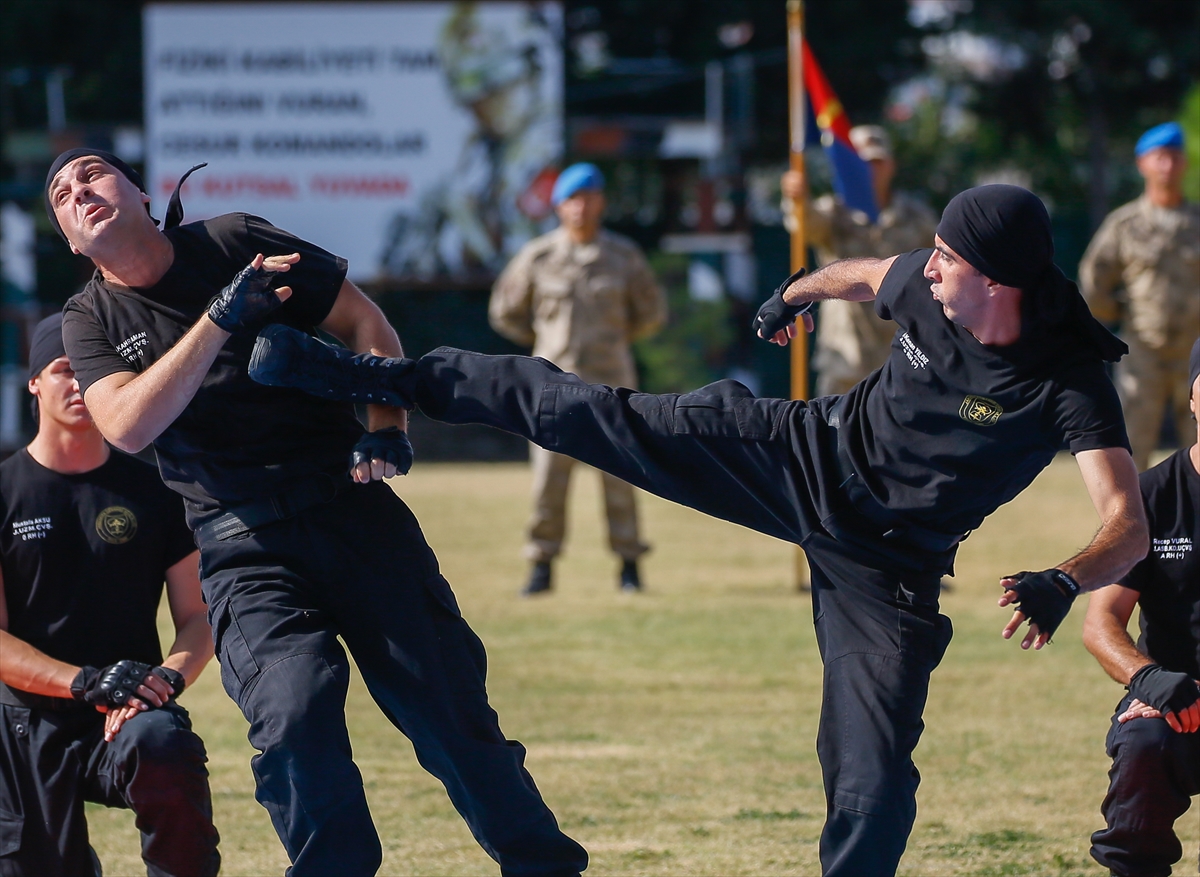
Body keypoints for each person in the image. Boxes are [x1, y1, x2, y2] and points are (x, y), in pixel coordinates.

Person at [250, 184, 1150, 877]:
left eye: (950, 258)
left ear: (1000, 281)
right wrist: (795, 292)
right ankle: (368, 376)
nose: (931, 265)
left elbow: (1126, 523)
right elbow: (866, 271)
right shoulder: (928, 281)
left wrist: (1064, 578)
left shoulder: (1065, 382)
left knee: (871, 782)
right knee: (579, 408)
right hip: (798, 454)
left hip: (890, 562)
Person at [47, 149, 587, 877]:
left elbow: (365, 323)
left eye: (92, 174)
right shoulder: (90, 318)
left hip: (352, 510)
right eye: (62, 194)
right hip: (242, 545)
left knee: (452, 713)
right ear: (72, 240)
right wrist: (217, 319)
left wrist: (387, 428)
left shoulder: (235, 241)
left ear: (140, 190)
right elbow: (128, 424)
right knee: (295, 721)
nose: (80, 192)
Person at [0, 314, 218, 877]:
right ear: (34, 382)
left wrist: (165, 680)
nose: (78, 385)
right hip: (26, 722)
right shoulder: (4, 495)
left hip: (128, 712)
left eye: (91, 373)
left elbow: (199, 617)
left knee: (167, 748)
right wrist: (84, 682)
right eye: (63, 370)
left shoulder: (156, 493)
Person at [489, 162, 666, 595]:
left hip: (613, 384)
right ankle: (541, 566)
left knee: (623, 475)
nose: (581, 207)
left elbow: (651, 313)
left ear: (601, 202)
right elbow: (505, 312)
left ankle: (629, 566)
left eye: (588, 197)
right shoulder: (538, 257)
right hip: (553, 385)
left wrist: (616, 341)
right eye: (572, 199)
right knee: (548, 479)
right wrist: (544, 344)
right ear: (558, 206)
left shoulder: (624, 257)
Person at [1082, 337, 1200, 877]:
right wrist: (1149, 680)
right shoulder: (1152, 495)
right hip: (1176, 704)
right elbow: (1101, 621)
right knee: (1144, 741)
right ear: (1192, 397)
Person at [1079, 121, 1200, 471]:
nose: (1167, 165)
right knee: (1131, 450)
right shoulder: (1125, 225)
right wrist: (1117, 314)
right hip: (1142, 354)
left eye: (1174, 157)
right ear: (1142, 164)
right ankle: (1137, 524)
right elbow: (1094, 280)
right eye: (1159, 157)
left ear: (1185, 163)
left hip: (1195, 356)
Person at [781, 125, 938, 395]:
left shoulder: (916, 217)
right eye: (863, 162)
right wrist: (797, 199)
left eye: (878, 161)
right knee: (833, 433)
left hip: (903, 357)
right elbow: (806, 226)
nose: (871, 169)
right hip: (846, 358)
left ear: (891, 165)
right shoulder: (836, 213)